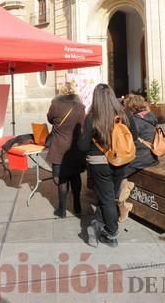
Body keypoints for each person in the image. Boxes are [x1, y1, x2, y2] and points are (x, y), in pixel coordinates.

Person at [77, 83, 137, 248]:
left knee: (107, 198)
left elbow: (82, 147)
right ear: (112, 95)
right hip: (120, 162)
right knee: (110, 196)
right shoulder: (124, 113)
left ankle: (111, 234)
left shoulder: (92, 118)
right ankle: (97, 223)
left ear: (96, 98)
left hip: (99, 164)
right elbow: (135, 136)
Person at [46, 82, 86, 218]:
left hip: (59, 148)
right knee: (75, 176)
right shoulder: (80, 107)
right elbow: (83, 125)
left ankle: (62, 210)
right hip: (75, 148)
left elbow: (50, 119)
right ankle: (77, 205)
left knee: (62, 179)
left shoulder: (55, 104)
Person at [118, 94, 159, 221]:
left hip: (139, 158)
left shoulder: (134, 120)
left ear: (130, 106)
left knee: (116, 174)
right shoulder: (150, 116)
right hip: (153, 156)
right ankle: (125, 191)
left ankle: (123, 206)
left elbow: (128, 143)